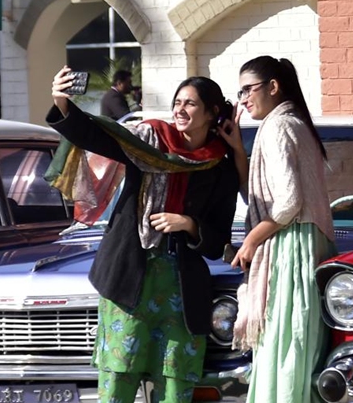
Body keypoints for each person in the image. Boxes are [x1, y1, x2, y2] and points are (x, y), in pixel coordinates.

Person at [46, 66, 239, 403]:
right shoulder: (148, 141)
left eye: (191, 104)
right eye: (177, 102)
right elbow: (96, 136)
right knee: (118, 378)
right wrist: (62, 103)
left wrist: (189, 224)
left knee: (176, 381)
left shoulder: (219, 166)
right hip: (129, 278)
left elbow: (219, 241)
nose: (180, 109)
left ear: (212, 113)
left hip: (181, 290)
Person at [223, 56, 336, 403]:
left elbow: (287, 203)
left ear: (273, 87)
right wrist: (238, 150)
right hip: (303, 242)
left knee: (284, 345)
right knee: (299, 347)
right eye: (239, 91)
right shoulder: (293, 123)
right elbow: (258, 196)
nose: (242, 99)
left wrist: (253, 239)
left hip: (290, 246)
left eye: (248, 89)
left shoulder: (278, 126)